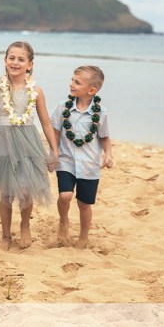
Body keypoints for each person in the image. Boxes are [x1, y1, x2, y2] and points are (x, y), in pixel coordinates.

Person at [0, 41, 59, 250]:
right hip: (2, 144)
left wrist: (54, 150)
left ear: (30, 64)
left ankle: (24, 225)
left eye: (21, 59)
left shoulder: (36, 91)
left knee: (26, 189)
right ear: (5, 60)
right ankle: (5, 236)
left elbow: (46, 123)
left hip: (28, 143)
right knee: (6, 193)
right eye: (11, 58)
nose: (15, 62)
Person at [50, 65, 113, 249]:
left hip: (89, 165)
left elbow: (104, 137)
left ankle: (83, 236)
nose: (71, 84)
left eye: (77, 82)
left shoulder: (101, 113)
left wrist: (108, 154)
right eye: (72, 80)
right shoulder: (63, 107)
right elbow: (55, 130)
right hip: (66, 161)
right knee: (65, 196)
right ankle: (63, 220)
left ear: (92, 90)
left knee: (84, 204)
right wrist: (54, 151)